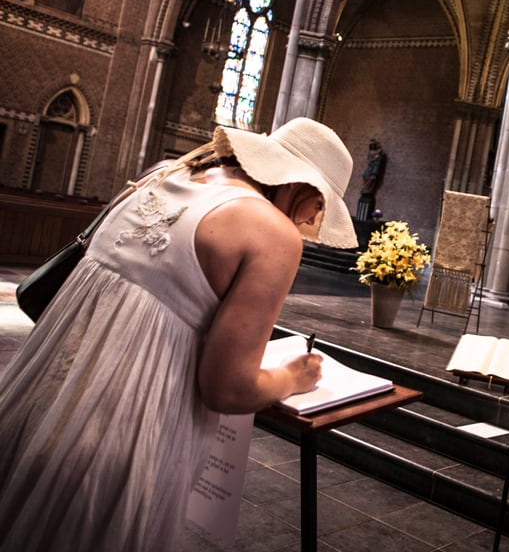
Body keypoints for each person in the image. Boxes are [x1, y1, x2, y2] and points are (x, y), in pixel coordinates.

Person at [0, 117, 358, 551]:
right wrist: (292, 377)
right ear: (303, 188)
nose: (310, 222)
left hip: (32, 404)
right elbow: (227, 388)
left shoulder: (167, 171)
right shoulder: (272, 232)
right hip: (117, 434)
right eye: (318, 208)